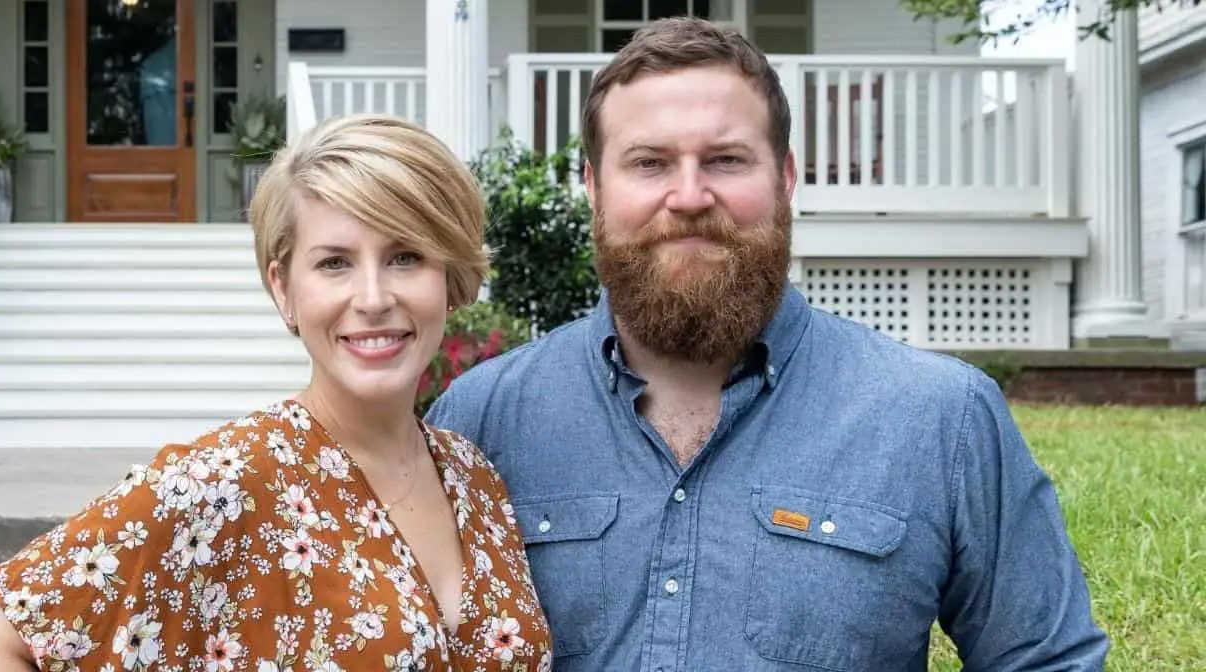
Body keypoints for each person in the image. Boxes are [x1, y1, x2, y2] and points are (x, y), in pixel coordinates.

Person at [425, 16, 1109, 672]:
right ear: (594, 189)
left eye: (725, 160)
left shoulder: (942, 418)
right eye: (649, 163)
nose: (688, 195)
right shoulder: (481, 422)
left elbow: (1047, 660)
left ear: (784, 180)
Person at [0, 115, 553, 672]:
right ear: (283, 287)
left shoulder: (475, 478)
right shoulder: (223, 482)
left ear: (450, 274)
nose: (372, 298)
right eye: (334, 262)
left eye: (406, 256)